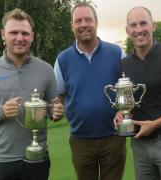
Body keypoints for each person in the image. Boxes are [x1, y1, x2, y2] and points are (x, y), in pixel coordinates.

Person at [53, 2, 126, 180]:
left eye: (88, 19)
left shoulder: (117, 52)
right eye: (78, 21)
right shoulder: (63, 59)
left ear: (96, 22)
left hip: (114, 137)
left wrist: (123, 111)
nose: (83, 24)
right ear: (72, 25)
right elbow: (59, 96)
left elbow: (128, 92)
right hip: (80, 140)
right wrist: (55, 111)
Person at [0, 8, 64, 180]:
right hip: (2, 160)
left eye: (25, 33)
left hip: (38, 157)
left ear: (32, 36)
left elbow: (53, 110)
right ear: (3, 34)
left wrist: (56, 113)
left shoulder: (46, 69)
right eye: (13, 32)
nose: (20, 38)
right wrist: (2, 111)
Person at [114, 6, 161, 180]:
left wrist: (155, 124)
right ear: (128, 31)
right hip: (139, 146)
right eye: (133, 25)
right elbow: (130, 102)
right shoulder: (124, 64)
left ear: (153, 26)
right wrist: (121, 112)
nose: (139, 29)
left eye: (143, 23)